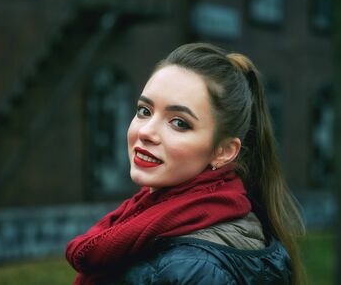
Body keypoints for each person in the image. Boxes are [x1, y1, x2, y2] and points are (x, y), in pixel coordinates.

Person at [66, 43, 305, 285]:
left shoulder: (192, 268)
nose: (146, 131)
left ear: (223, 151)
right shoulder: (152, 217)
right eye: (144, 111)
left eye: (179, 123)